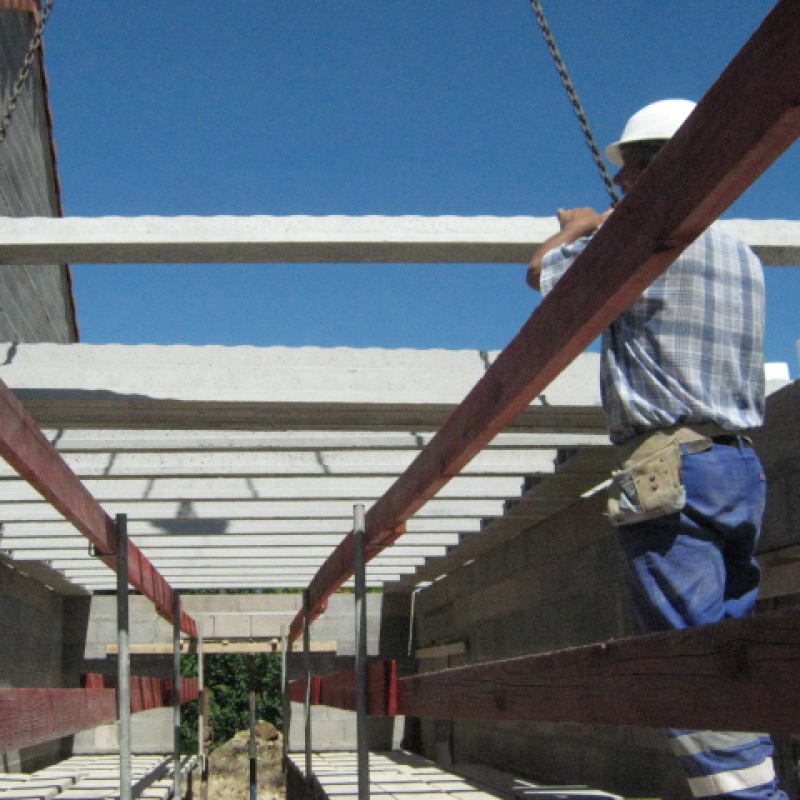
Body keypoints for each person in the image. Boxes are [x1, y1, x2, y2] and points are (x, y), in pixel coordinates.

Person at [528, 99, 787, 800]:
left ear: (653, 168)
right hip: (736, 467)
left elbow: (546, 282)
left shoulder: (642, 233)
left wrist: (580, 230)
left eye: (626, 174)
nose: (617, 188)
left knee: (685, 663)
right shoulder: (743, 253)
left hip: (672, 467)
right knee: (726, 651)